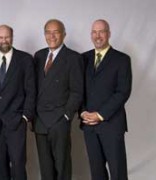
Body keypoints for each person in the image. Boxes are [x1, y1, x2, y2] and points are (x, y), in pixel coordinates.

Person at [0, 24, 35, 180]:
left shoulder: (25, 59)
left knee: (18, 165)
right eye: (0, 37)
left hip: (16, 122)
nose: (4, 40)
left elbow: (31, 90)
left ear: (12, 37)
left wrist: (25, 117)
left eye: (7, 37)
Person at [80, 19, 132, 180]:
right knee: (97, 173)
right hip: (89, 126)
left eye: (101, 31)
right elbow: (78, 90)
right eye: (94, 32)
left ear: (109, 34)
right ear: (91, 35)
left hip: (111, 124)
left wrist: (100, 115)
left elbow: (123, 92)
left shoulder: (121, 59)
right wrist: (82, 112)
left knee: (117, 171)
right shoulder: (83, 59)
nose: (98, 36)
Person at [33, 19, 84, 180]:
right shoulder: (39, 56)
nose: (52, 36)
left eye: (56, 32)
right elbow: (34, 88)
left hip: (59, 119)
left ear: (64, 34)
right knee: (45, 166)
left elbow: (77, 91)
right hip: (40, 120)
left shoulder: (73, 57)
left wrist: (66, 116)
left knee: (62, 165)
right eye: (48, 32)